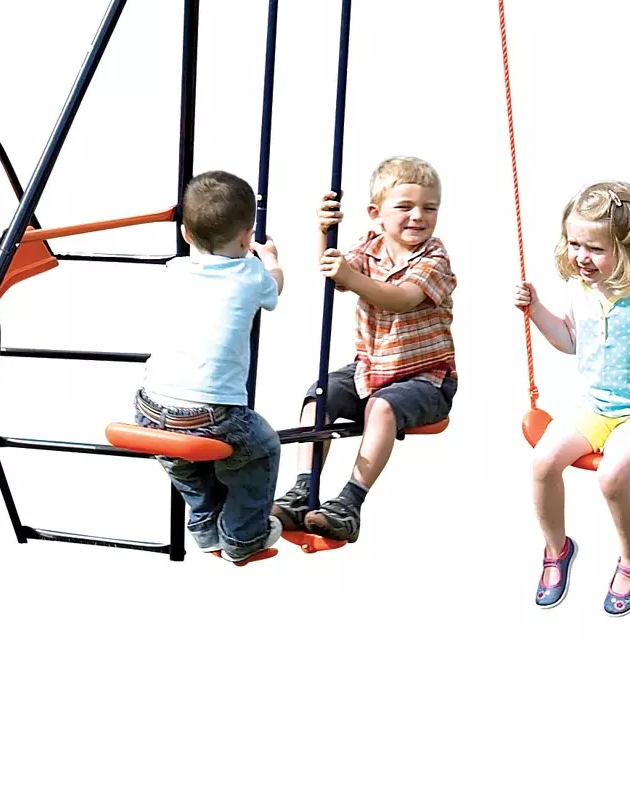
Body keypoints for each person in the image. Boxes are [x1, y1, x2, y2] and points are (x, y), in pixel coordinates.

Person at [515, 181, 630, 616]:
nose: (582, 257)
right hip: (593, 407)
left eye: (596, 249)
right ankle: (556, 549)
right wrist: (535, 310)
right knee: (543, 462)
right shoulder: (580, 289)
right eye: (575, 244)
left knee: (611, 477)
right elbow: (569, 342)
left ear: (629, 246)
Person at [276, 156, 457, 545]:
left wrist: (349, 276)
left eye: (429, 208)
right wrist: (324, 232)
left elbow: (401, 299)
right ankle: (303, 490)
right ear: (376, 214)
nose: (418, 216)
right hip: (371, 371)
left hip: (427, 380)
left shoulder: (435, 258)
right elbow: (336, 273)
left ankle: (349, 504)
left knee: (383, 406)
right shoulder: (369, 246)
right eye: (405, 206)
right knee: (320, 393)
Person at [133, 170, 285, 564]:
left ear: (185, 233)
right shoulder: (251, 274)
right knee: (262, 449)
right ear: (246, 238)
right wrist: (271, 260)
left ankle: (205, 528)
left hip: (148, 408)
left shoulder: (174, 269)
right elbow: (275, 289)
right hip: (212, 414)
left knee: (183, 464)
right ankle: (243, 537)